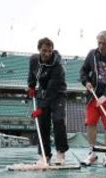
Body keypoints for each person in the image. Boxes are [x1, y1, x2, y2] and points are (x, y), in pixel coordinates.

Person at [79, 31, 106, 167]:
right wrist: (85, 81)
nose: (101, 46)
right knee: (91, 123)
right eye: (99, 43)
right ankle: (92, 153)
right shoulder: (92, 54)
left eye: (104, 43)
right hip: (94, 94)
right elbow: (83, 71)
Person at [27, 37, 69, 165]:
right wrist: (31, 86)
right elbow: (32, 74)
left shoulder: (57, 65)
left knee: (58, 121)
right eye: (44, 51)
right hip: (42, 92)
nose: (47, 54)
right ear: (39, 49)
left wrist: (41, 108)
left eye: (49, 51)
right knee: (42, 124)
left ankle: (60, 153)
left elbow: (52, 89)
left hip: (57, 94)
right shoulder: (34, 59)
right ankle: (44, 155)